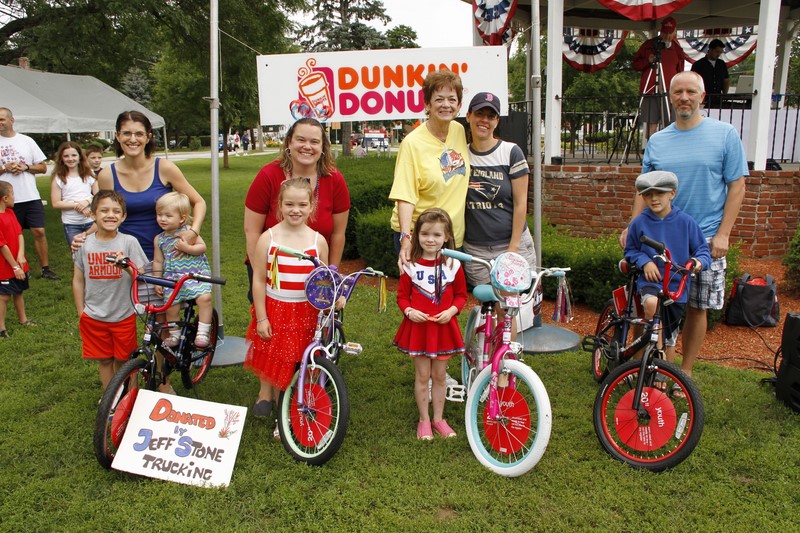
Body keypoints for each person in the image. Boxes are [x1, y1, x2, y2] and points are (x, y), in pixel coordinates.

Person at [621, 70, 747, 379]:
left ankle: (684, 374)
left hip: (704, 239)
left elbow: (737, 185)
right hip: (660, 241)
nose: (684, 97)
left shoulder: (725, 134)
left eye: (691, 91)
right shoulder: (658, 140)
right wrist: (632, 225)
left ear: (702, 96)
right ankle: (650, 368)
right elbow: (644, 188)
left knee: (696, 307)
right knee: (653, 305)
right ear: (671, 97)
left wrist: (724, 234)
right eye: (678, 92)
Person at [245, 178, 329, 438]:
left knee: (304, 362)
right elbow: (259, 280)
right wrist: (262, 317)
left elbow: (323, 280)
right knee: (279, 361)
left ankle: (299, 408)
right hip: (276, 310)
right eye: (289, 204)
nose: (296, 210)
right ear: (279, 205)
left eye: (302, 204)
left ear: (311, 205)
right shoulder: (268, 238)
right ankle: (280, 411)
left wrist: (331, 301)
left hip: (306, 312)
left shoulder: (318, 242)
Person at [243, 117, 350, 301]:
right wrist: (261, 276)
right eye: (301, 139)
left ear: (323, 148)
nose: (307, 146)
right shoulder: (268, 175)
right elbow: (251, 231)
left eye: (314, 141)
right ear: (289, 143)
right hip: (273, 271)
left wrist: (329, 277)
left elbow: (338, 234)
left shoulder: (334, 180)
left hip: (316, 272)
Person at [624, 171, 711, 370]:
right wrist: (645, 261)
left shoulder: (686, 222)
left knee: (670, 336)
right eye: (648, 195)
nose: (654, 199)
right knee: (652, 305)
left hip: (676, 286)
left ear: (672, 193)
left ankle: (662, 374)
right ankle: (654, 359)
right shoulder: (639, 223)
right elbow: (630, 250)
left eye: (659, 193)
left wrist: (697, 262)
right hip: (651, 283)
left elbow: (703, 250)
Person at [393, 208, 467, 441]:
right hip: (420, 329)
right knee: (423, 375)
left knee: (440, 376)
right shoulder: (410, 265)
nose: (430, 239)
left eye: (437, 234)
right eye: (425, 234)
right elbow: (402, 297)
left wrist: (451, 311)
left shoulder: (453, 264)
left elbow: (461, 295)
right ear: (417, 235)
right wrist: (409, 311)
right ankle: (424, 420)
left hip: (443, 328)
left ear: (447, 236)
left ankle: (439, 419)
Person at [389, 69, 469, 267]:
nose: (446, 104)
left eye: (452, 99)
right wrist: (406, 239)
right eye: (439, 99)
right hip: (421, 237)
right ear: (427, 104)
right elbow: (405, 196)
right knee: (421, 287)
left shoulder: (459, 131)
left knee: (451, 286)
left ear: (459, 105)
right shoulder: (412, 143)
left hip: (451, 236)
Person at [72, 190, 147, 391]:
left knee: (125, 360)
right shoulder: (84, 244)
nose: (110, 215)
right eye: (104, 210)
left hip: (123, 314)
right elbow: (78, 280)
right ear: (93, 214)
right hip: (93, 316)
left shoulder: (129, 242)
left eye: (116, 211)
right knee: (104, 360)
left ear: (123, 216)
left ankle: (130, 396)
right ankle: (110, 398)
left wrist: (127, 267)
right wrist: (81, 311)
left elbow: (141, 275)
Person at [0, 107, 59, 280]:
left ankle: (45, 269)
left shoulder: (26, 140)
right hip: (6, 200)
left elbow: (42, 167)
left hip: (30, 196)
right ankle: (17, 268)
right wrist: (4, 167)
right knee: (11, 236)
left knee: (39, 231)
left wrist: (25, 167)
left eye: (2, 119)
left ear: (11, 120)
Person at [152, 192, 213, 348]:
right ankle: (174, 334)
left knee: (205, 299)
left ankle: (203, 332)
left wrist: (187, 248)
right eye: (159, 215)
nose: (162, 219)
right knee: (171, 307)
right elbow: (158, 261)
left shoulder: (189, 232)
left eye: (168, 215)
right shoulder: (159, 239)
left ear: (182, 218)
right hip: (172, 278)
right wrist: (157, 280)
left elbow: (202, 247)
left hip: (194, 275)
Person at [632, 17, 687, 140]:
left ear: (674, 32)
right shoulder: (649, 45)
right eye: (664, 32)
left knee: (670, 124)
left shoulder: (677, 49)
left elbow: (680, 72)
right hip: (651, 90)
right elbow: (635, 64)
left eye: (669, 33)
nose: (667, 36)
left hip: (669, 91)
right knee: (651, 123)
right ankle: (651, 146)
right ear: (660, 31)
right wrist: (648, 60)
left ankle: (668, 148)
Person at [0, 180, 33, 338]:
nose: (15, 197)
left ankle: (23, 320)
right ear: (5, 198)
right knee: (4, 296)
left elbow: (19, 233)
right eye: (13, 194)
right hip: (5, 266)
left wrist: (21, 254)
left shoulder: (10, 213)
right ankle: (1, 329)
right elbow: (2, 245)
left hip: (19, 262)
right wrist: (14, 266)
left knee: (18, 291)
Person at [49, 141, 98, 247]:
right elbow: (56, 203)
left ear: (80, 156)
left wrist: (87, 201)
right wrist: (77, 205)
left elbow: (99, 196)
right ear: (61, 158)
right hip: (71, 224)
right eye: (66, 156)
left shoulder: (89, 173)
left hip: (91, 221)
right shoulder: (58, 178)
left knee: (94, 251)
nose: (70, 159)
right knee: (77, 252)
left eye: (74, 155)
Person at [691, 39, 730, 109]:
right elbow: (693, 82)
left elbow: (726, 80)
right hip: (703, 99)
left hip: (718, 99)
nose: (718, 54)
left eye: (720, 52)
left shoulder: (722, 64)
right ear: (710, 49)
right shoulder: (698, 65)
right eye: (717, 51)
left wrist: (725, 95)